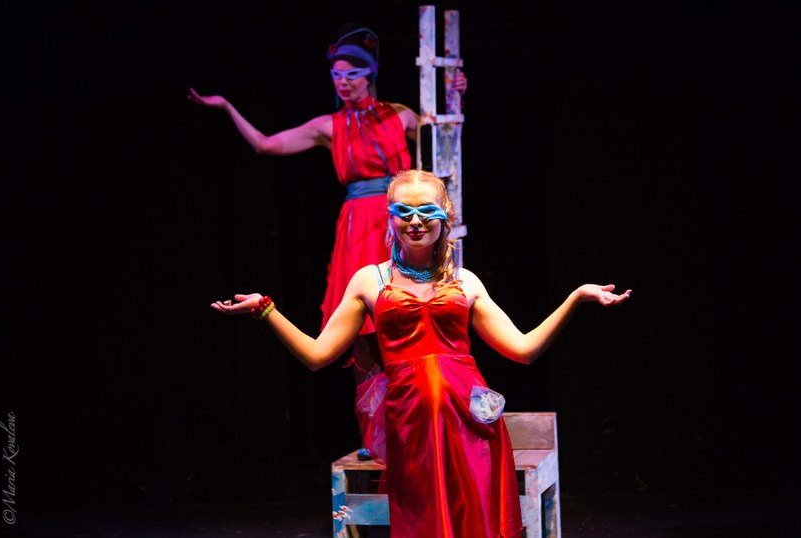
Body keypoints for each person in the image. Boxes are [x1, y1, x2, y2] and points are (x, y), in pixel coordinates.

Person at [211, 169, 632, 537]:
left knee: (474, 525)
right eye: (404, 211)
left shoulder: (466, 282)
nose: (415, 221)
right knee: (422, 524)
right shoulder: (369, 281)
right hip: (411, 425)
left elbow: (524, 350)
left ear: (445, 214)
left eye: (426, 210)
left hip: (471, 425)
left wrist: (576, 298)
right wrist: (266, 310)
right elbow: (318, 355)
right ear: (390, 217)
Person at [190, 24, 467, 459]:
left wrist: (456, 98)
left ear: (370, 74)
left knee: (416, 316)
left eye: (352, 73)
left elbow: (445, 144)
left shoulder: (399, 116)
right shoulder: (330, 126)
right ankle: (376, 436)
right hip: (357, 228)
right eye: (336, 75)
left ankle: (428, 420)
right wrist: (226, 107)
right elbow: (265, 145)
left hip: (400, 218)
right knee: (362, 335)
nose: (343, 82)